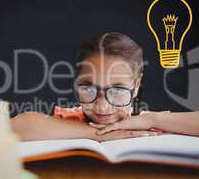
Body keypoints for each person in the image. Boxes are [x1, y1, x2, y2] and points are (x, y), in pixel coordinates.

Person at [11, 32, 160, 141]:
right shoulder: (68, 121)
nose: (102, 107)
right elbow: (17, 125)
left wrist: (153, 119)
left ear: (136, 86)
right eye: (88, 88)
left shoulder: (148, 122)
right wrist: (99, 134)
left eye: (117, 90)